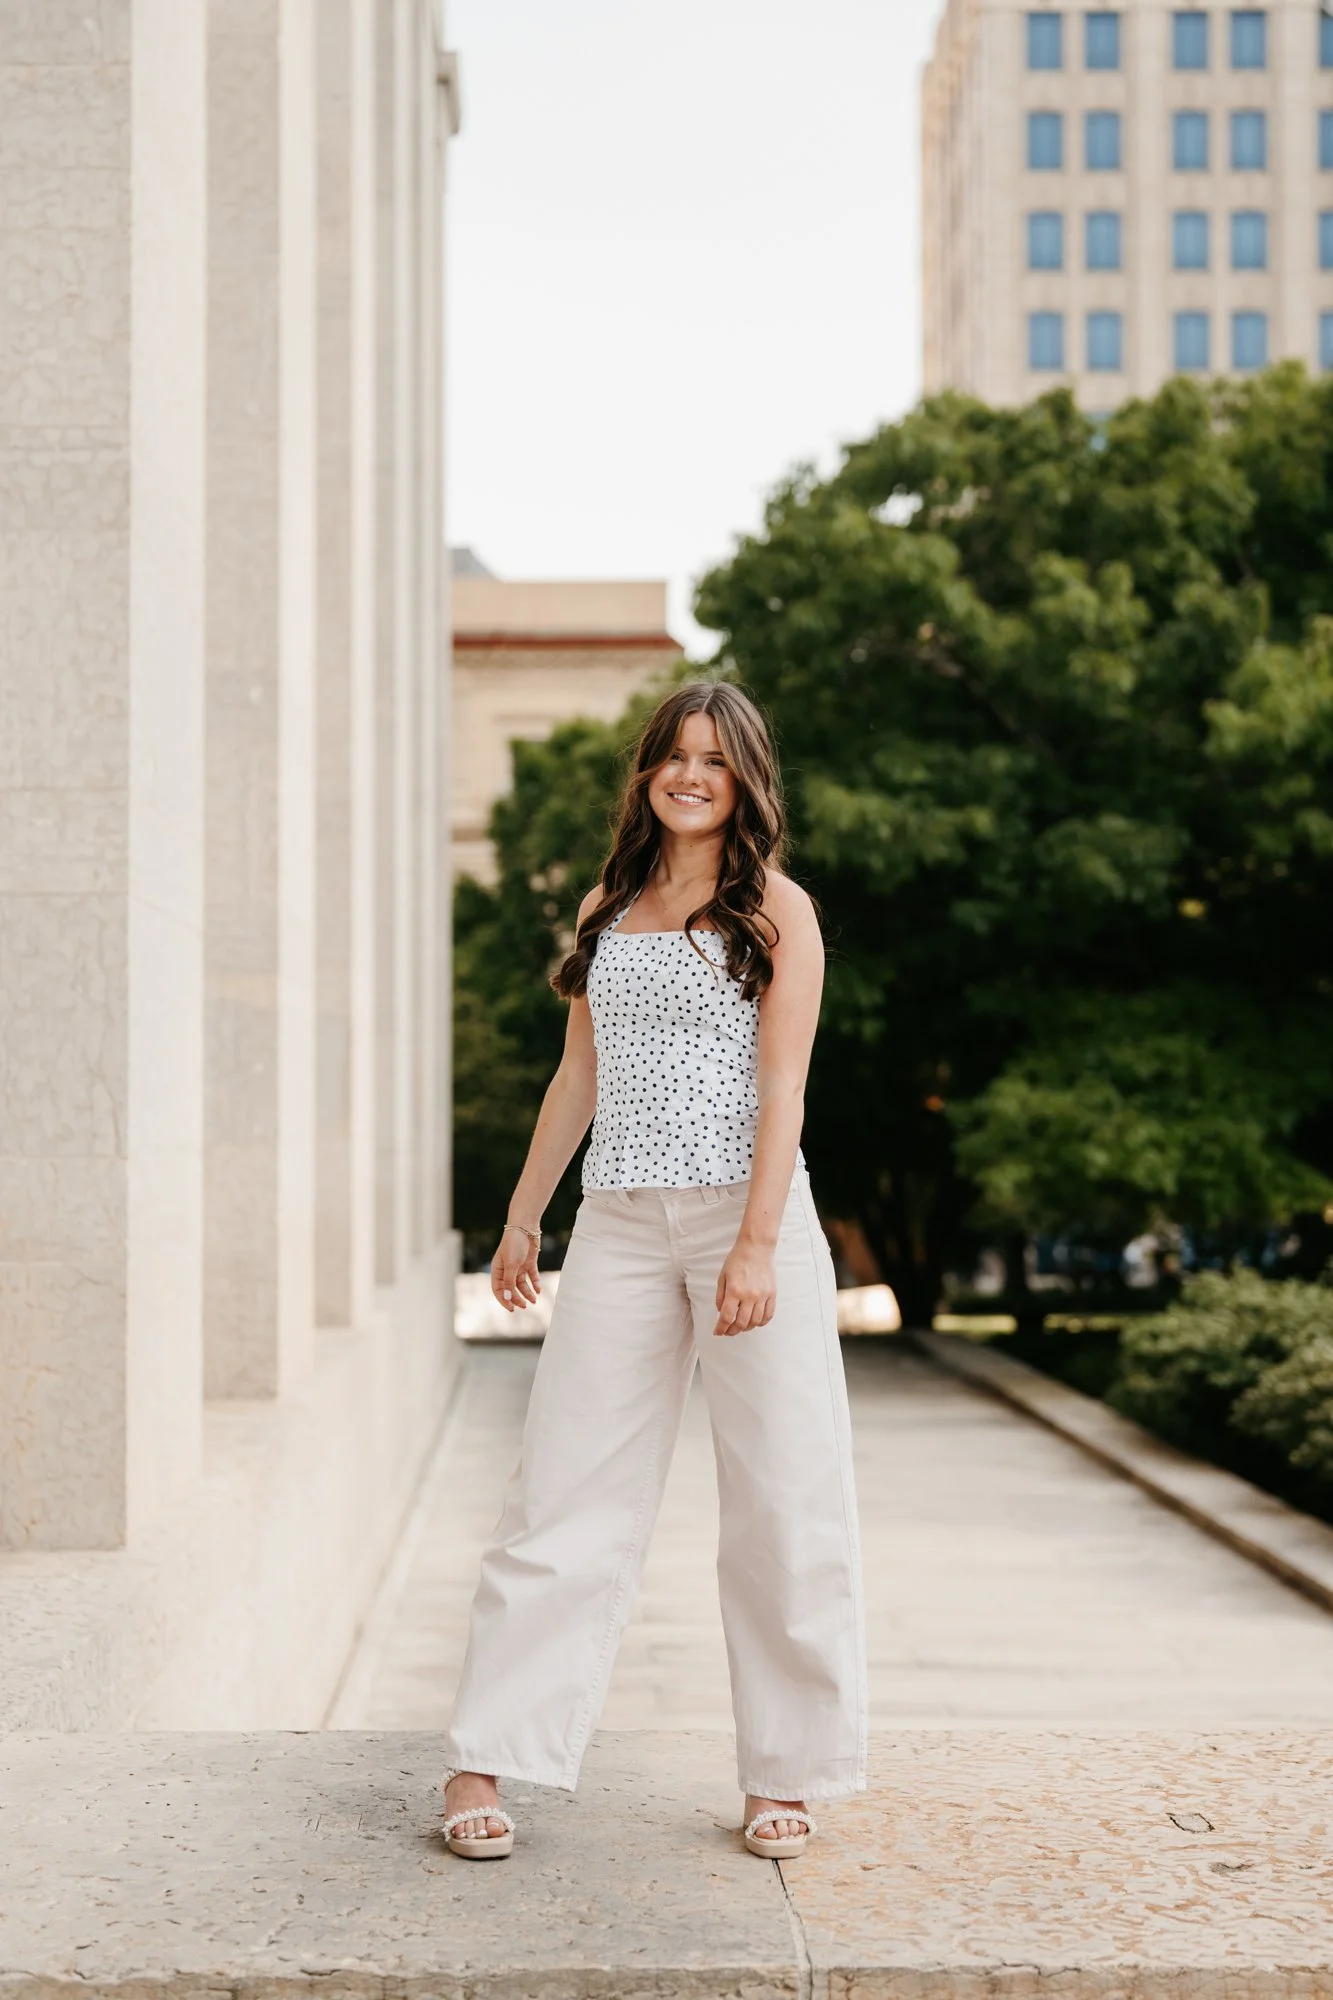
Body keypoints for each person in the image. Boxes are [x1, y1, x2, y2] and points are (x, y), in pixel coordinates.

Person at [440, 679, 867, 1862]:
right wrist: (526, 1214)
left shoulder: (778, 910)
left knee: (784, 1494)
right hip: (621, 1221)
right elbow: (577, 1075)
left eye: (714, 760)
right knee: (560, 1491)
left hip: (752, 1218)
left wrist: (751, 1242)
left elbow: (784, 1090)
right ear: (648, 774)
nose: (691, 775)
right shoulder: (607, 906)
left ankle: (784, 1770)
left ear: (745, 780)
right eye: (674, 756)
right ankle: (485, 1754)